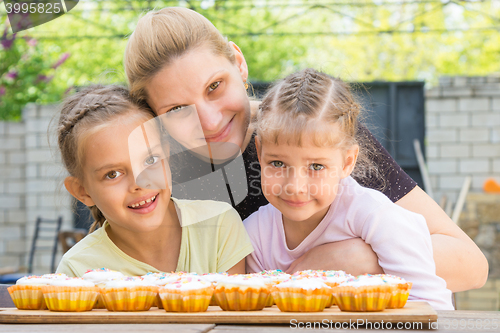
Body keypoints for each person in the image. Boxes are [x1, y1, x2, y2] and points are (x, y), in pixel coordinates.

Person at [123, 7, 487, 292]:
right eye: (176, 110)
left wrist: (353, 260)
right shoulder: (161, 182)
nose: (209, 120)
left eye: (215, 86)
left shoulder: (312, 132)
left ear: (239, 62)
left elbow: (470, 264)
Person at [243, 68, 453, 310]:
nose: (295, 187)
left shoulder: (377, 218)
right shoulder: (255, 235)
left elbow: (431, 305)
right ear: (259, 152)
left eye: (316, 166)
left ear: (347, 162)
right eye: (277, 163)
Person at [55, 85, 252, 277]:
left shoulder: (219, 225)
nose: (140, 183)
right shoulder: (77, 270)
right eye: (113, 174)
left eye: (150, 160)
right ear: (83, 191)